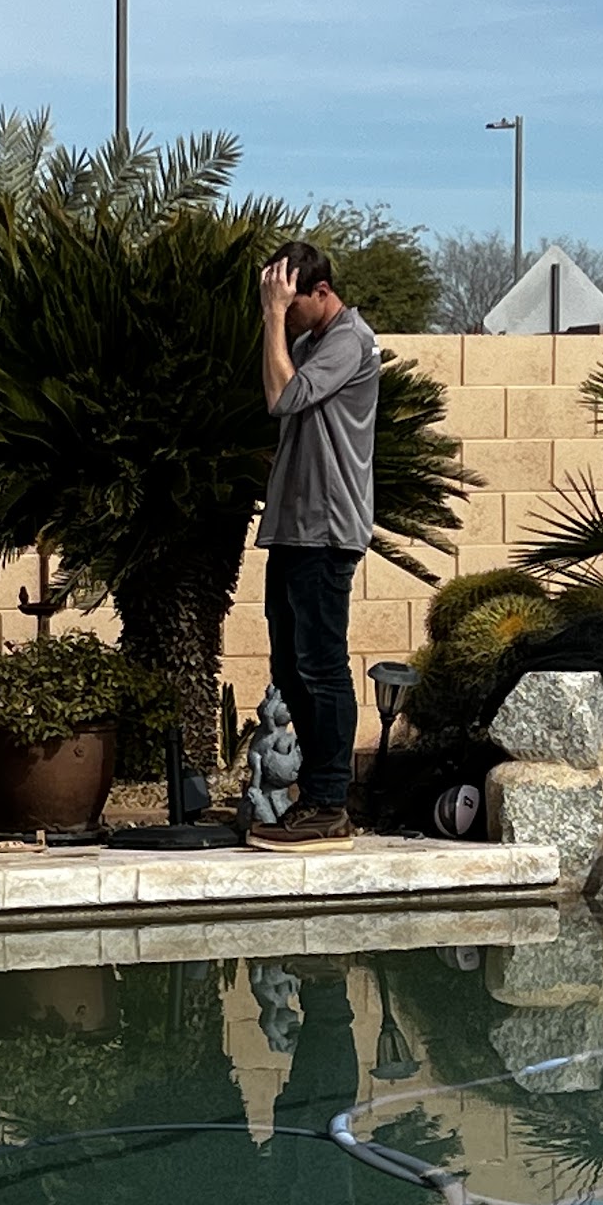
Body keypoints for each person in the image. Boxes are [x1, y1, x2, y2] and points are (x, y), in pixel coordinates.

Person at [249, 240, 380, 845]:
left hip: (327, 531)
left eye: (290, 303)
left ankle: (329, 802)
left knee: (322, 665)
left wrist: (274, 317)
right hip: (291, 530)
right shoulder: (308, 345)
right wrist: (280, 320)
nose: (283, 315)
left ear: (321, 291)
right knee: (289, 665)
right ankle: (314, 798)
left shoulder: (350, 341)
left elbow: (282, 398)